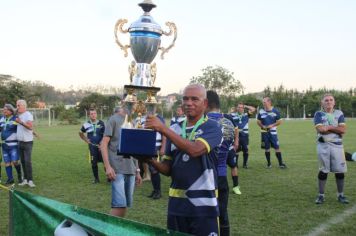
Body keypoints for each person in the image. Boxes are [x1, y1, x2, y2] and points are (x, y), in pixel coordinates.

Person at [145, 84, 223, 236]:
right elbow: (168, 169)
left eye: (195, 99)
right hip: (177, 206)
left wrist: (163, 129)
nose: (188, 103)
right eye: (185, 99)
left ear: (205, 103)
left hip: (203, 206)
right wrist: (150, 160)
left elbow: (195, 150)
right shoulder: (175, 129)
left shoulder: (213, 128)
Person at [100, 106, 142, 217]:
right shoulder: (113, 119)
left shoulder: (132, 121)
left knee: (124, 205)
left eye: (134, 103)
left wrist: (137, 171)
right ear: (124, 103)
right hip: (117, 168)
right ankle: (107, 231)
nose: (134, 105)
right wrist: (107, 166)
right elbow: (103, 144)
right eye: (131, 102)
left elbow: (134, 148)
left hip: (131, 169)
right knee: (119, 204)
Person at [206, 90, 236, 236]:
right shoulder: (229, 123)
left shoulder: (204, 122)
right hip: (222, 175)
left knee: (204, 214)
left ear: (208, 103)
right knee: (223, 213)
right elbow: (230, 148)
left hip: (206, 175)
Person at [314, 94, 349, 204]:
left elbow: (343, 130)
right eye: (326, 100)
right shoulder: (318, 114)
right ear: (322, 103)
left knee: (340, 171)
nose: (328, 102)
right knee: (323, 171)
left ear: (334, 102)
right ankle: (321, 195)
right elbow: (320, 129)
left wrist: (328, 127)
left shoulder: (339, 113)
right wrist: (336, 129)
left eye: (331, 100)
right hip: (323, 145)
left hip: (337, 146)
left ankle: (341, 195)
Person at [135, 109, 166, 200]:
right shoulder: (141, 118)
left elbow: (164, 133)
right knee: (149, 168)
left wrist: (163, 147)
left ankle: (158, 191)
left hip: (155, 145)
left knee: (154, 169)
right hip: (145, 145)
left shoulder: (159, 117)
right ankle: (155, 190)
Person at [257, 97, 286, 169]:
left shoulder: (275, 111)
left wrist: (272, 125)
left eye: (265, 102)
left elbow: (280, 121)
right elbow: (258, 121)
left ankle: (281, 164)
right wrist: (262, 126)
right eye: (263, 102)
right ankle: (269, 164)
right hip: (264, 131)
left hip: (273, 132)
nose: (263, 104)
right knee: (267, 148)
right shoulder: (261, 111)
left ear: (269, 102)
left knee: (277, 147)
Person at [79, 108, 105, 183]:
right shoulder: (86, 124)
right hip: (92, 147)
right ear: (89, 115)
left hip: (101, 146)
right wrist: (85, 139)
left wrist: (102, 144)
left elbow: (105, 135)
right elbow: (80, 133)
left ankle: (109, 178)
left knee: (105, 161)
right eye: (92, 114)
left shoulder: (101, 123)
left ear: (97, 114)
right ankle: (96, 179)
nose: (93, 115)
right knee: (94, 163)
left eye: (95, 113)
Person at [0, 104, 22, 185]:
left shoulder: (15, 118)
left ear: (11, 111)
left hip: (13, 145)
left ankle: (20, 175)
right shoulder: (1, 119)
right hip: (4, 145)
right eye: (3, 109)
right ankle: (10, 179)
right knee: (7, 163)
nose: (4, 111)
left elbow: (21, 128)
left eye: (6, 109)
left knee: (15, 161)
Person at [16, 100, 36, 187]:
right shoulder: (18, 115)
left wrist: (20, 122)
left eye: (18, 105)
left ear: (24, 106)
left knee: (27, 161)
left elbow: (30, 126)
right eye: (16, 105)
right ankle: (25, 179)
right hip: (20, 142)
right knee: (23, 161)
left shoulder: (28, 114)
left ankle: (30, 180)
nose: (17, 107)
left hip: (27, 142)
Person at [230, 102, 256, 168]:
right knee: (236, 149)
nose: (240, 109)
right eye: (239, 107)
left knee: (246, 149)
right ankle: (236, 164)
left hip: (245, 135)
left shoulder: (246, 115)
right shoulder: (232, 115)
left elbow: (253, 109)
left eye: (242, 107)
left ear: (243, 108)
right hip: (236, 135)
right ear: (237, 108)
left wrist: (246, 106)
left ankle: (245, 164)